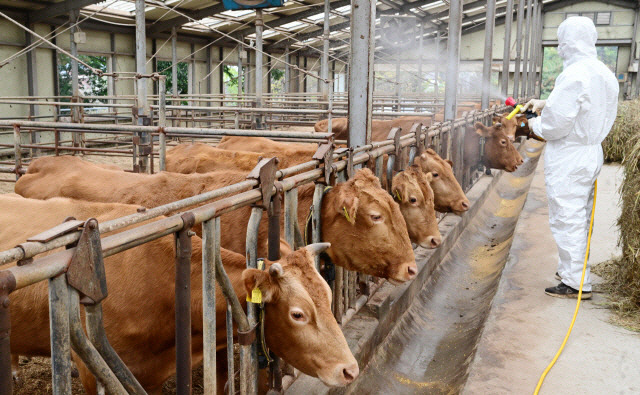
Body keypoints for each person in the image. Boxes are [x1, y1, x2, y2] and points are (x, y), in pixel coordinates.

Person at [521, 16, 619, 299]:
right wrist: (544, 103)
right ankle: (570, 270)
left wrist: (533, 122)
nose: (560, 48)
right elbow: (583, 107)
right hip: (590, 150)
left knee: (567, 218)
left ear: (571, 42)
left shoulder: (574, 74)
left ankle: (576, 284)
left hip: (570, 155)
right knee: (579, 215)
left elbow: (554, 126)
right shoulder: (602, 71)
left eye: (562, 42)